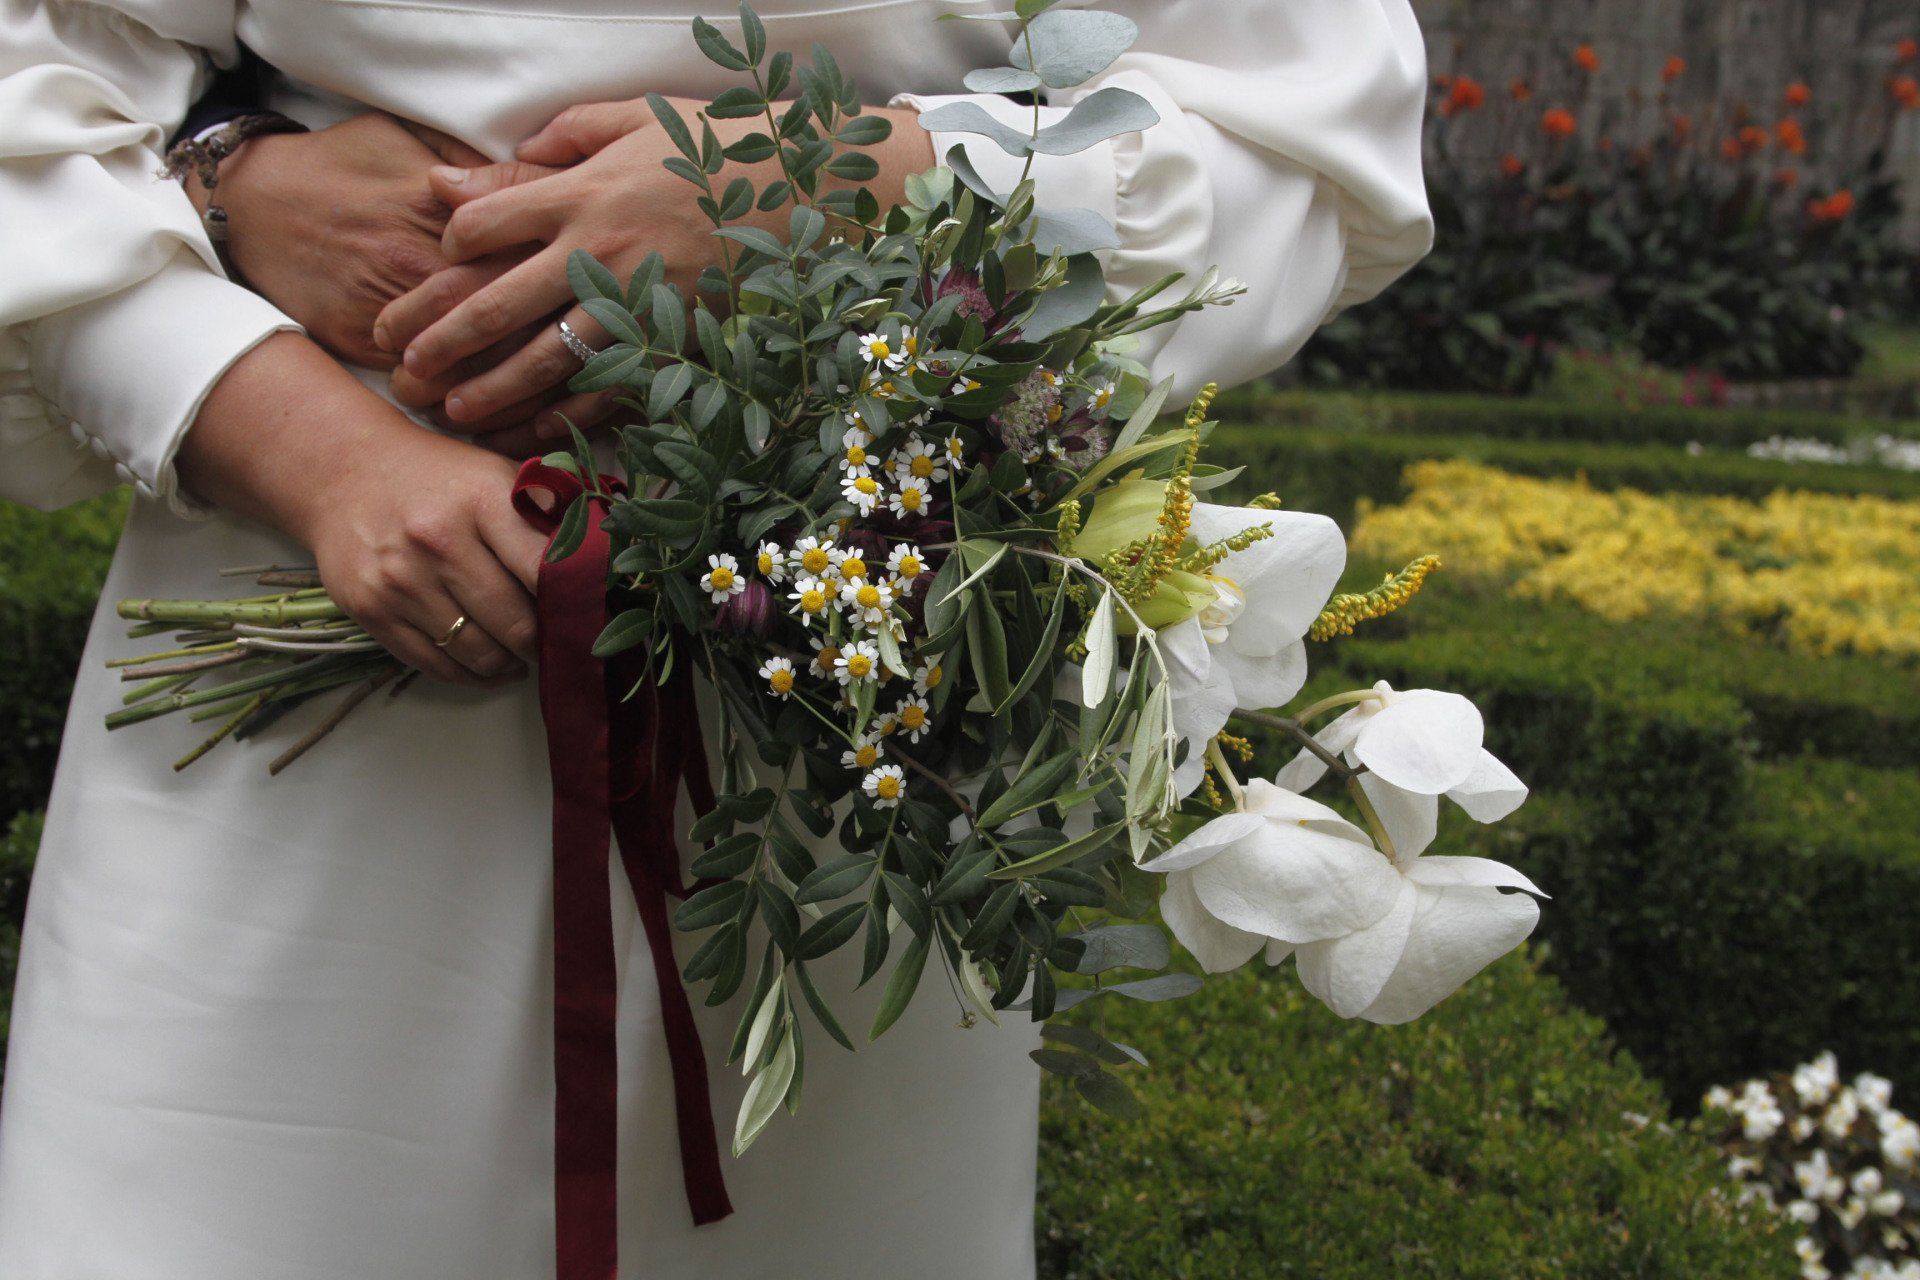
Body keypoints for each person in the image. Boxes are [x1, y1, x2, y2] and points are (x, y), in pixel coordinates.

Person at [0, 2, 1433, 1274]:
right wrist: (301, 409)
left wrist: (857, 183)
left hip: (846, 770)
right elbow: (36, 91)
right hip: (297, 761)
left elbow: (1298, 145)